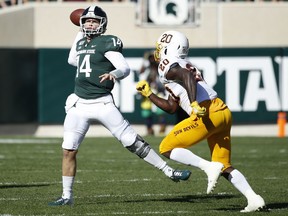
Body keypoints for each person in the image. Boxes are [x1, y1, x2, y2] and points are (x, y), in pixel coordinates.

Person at [48, 8, 191, 206]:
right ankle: (67, 197)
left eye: (94, 21)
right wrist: (78, 32)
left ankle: (169, 171)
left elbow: (124, 67)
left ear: (102, 24)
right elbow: (72, 59)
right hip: (79, 104)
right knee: (68, 150)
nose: (89, 24)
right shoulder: (81, 42)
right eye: (86, 21)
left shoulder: (108, 41)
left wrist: (114, 74)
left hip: (102, 102)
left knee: (133, 142)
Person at [136, 30, 266, 213]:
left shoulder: (168, 65)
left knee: (166, 147)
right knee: (224, 165)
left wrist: (195, 104)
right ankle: (254, 199)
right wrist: (149, 94)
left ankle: (208, 167)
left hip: (206, 113)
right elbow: (172, 107)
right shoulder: (184, 64)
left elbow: (187, 77)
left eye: (162, 47)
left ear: (169, 48)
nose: (159, 51)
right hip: (222, 111)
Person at [138, 51, 167, 135]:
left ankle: (162, 126)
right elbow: (140, 72)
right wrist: (144, 60)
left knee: (160, 109)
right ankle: (149, 128)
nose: (151, 60)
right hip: (147, 90)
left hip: (158, 90)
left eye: (152, 58)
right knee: (146, 110)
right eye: (150, 58)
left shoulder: (159, 67)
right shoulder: (146, 68)